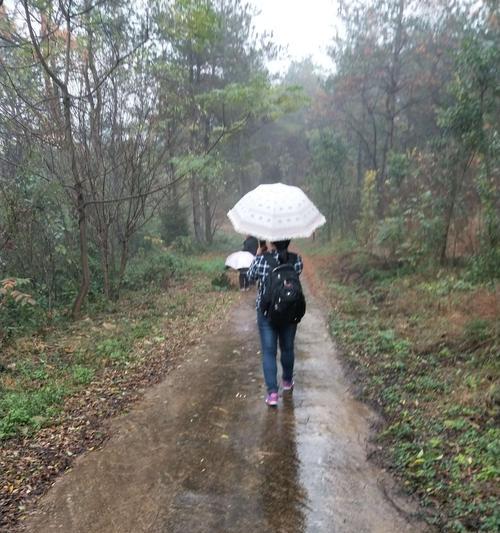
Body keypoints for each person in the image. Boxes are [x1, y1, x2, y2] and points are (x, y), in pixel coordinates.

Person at [246, 240, 303, 407]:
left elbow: (249, 277)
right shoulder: (296, 259)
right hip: (290, 310)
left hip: (266, 312)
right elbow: (296, 275)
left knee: (269, 352)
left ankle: (272, 394)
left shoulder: (261, 260)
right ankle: (287, 382)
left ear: (272, 241)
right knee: (287, 348)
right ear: (289, 240)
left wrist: (259, 254)